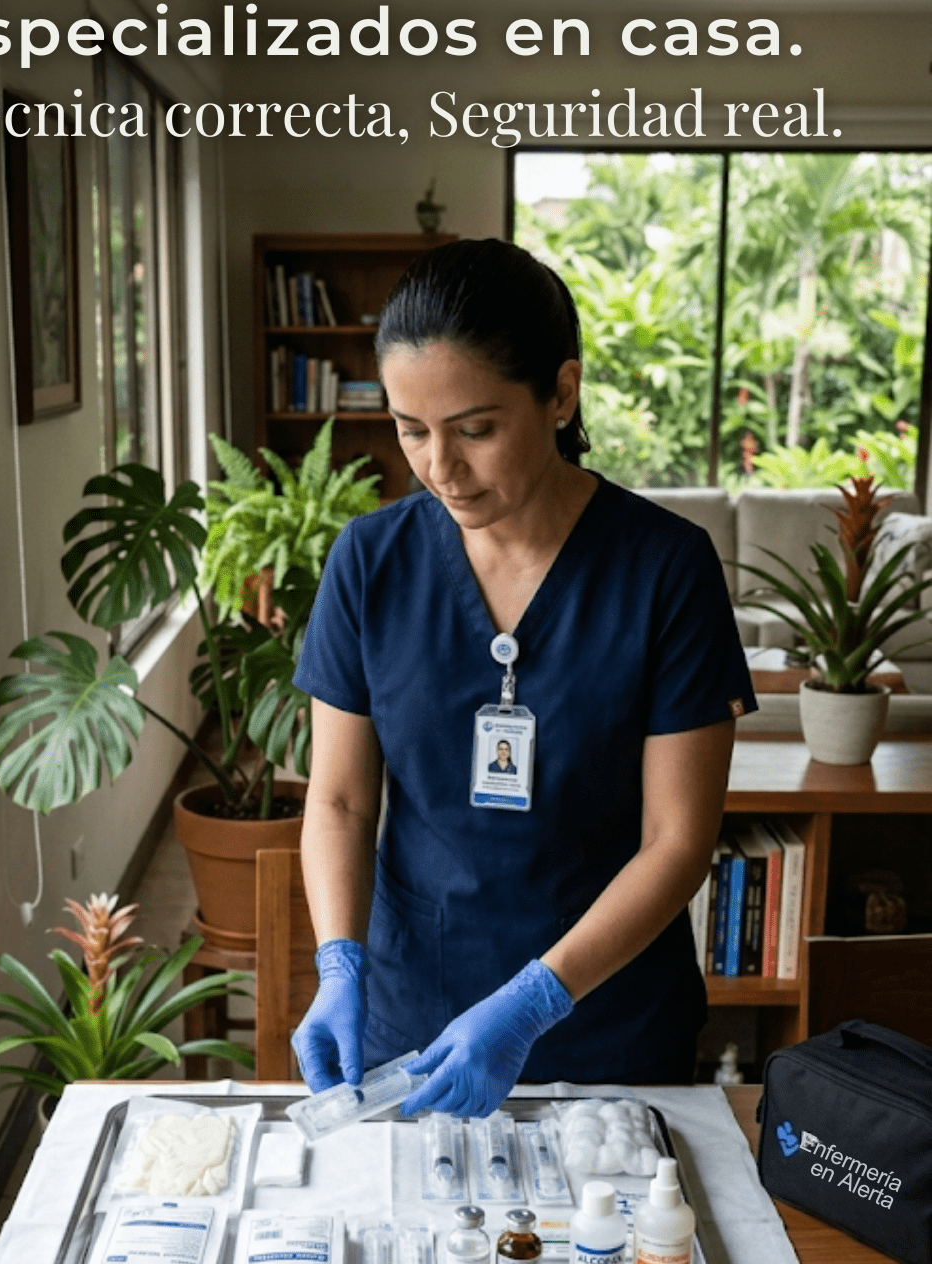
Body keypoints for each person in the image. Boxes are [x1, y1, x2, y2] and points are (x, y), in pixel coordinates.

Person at [290, 238, 755, 1117]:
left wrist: (534, 1000)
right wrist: (338, 964)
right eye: (409, 429)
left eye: (475, 429)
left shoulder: (665, 569)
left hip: (608, 1024)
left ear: (560, 393)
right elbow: (341, 802)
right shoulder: (370, 562)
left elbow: (677, 840)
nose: (439, 467)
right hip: (409, 1024)